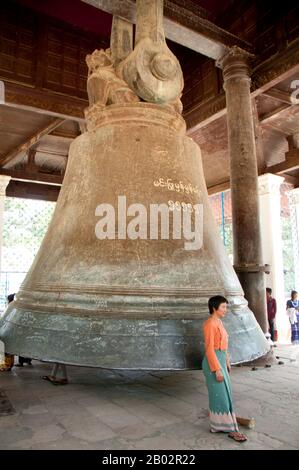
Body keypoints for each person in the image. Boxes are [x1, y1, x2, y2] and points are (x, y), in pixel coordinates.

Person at [202, 295, 247, 442]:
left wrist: (227, 362)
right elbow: (209, 349)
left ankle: (219, 425)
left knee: (225, 394)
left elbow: (224, 345)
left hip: (220, 359)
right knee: (220, 395)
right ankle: (229, 429)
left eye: (226, 307)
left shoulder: (219, 322)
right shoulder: (210, 324)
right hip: (212, 362)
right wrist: (217, 369)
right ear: (214, 308)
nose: (225, 309)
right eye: (223, 307)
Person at [0, 293, 15, 372]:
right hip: (11, 331)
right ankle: (9, 364)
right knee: (9, 349)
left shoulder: (11, 307)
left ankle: (7, 365)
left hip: (8, 331)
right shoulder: (15, 307)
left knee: (7, 349)